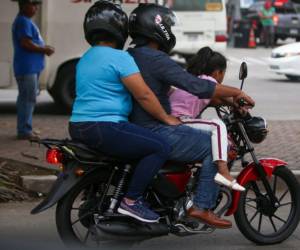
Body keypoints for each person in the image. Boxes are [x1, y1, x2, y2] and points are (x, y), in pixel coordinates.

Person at [128, 3, 255, 229]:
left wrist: (229, 99)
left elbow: (202, 92)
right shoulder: (155, 59)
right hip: (156, 128)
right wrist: (237, 92)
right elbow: (197, 86)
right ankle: (202, 205)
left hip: (137, 126)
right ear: (157, 28)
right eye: (167, 25)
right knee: (218, 146)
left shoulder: (131, 55)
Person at [69, 0, 180, 223]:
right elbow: (144, 95)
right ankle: (131, 201)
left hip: (78, 126)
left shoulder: (86, 58)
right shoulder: (121, 58)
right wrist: (167, 118)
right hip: (105, 127)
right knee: (160, 147)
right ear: (120, 30)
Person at [169, 46, 245, 192]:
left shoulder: (194, 79)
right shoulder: (207, 81)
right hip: (179, 121)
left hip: (175, 120)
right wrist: (239, 97)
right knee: (217, 125)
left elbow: (216, 99)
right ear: (218, 72)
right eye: (223, 73)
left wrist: (232, 103)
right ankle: (223, 172)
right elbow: (217, 93)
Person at [12, 0, 55, 140]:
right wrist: (45, 49)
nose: (36, 8)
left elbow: (30, 42)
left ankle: (25, 128)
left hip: (29, 68)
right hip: (27, 68)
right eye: (33, 5)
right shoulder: (23, 21)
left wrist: (44, 47)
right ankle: (24, 131)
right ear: (24, 5)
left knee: (27, 98)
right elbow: (26, 43)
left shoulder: (25, 21)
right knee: (27, 98)